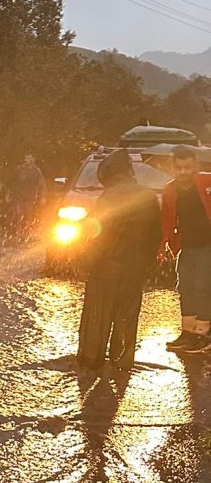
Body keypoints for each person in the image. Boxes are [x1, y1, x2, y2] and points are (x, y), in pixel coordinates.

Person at [77, 148, 161, 372]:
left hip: (105, 268)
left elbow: (98, 234)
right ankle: (122, 361)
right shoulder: (149, 196)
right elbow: (155, 236)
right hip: (135, 269)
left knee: (98, 315)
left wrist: (84, 261)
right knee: (127, 316)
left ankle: (92, 360)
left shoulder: (108, 197)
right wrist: (147, 264)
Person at [161, 144, 211, 352]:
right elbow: (166, 220)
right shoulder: (170, 190)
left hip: (208, 244)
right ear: (173, 168)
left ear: (195, 167)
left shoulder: (207, 181)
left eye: (187, 167)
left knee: (203, 287)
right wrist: (165, 243)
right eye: (179, 167)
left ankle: (203, 334)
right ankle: (188, 332)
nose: (183, 172)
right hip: (187, 246)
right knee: (185, 287)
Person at [8, 153, 47, 241]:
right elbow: (11, 183)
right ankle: (16, 234)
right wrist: (9, 194)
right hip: (18, 196)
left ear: (33, 159)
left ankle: (25, 235)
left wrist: (43, 197)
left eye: (29, 158)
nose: (27, 160)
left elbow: (42, 185)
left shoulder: (37, 171)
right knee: (17, 214)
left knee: (27, 217)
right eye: (26, 158)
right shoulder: (19, 170)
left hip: (30, 198)